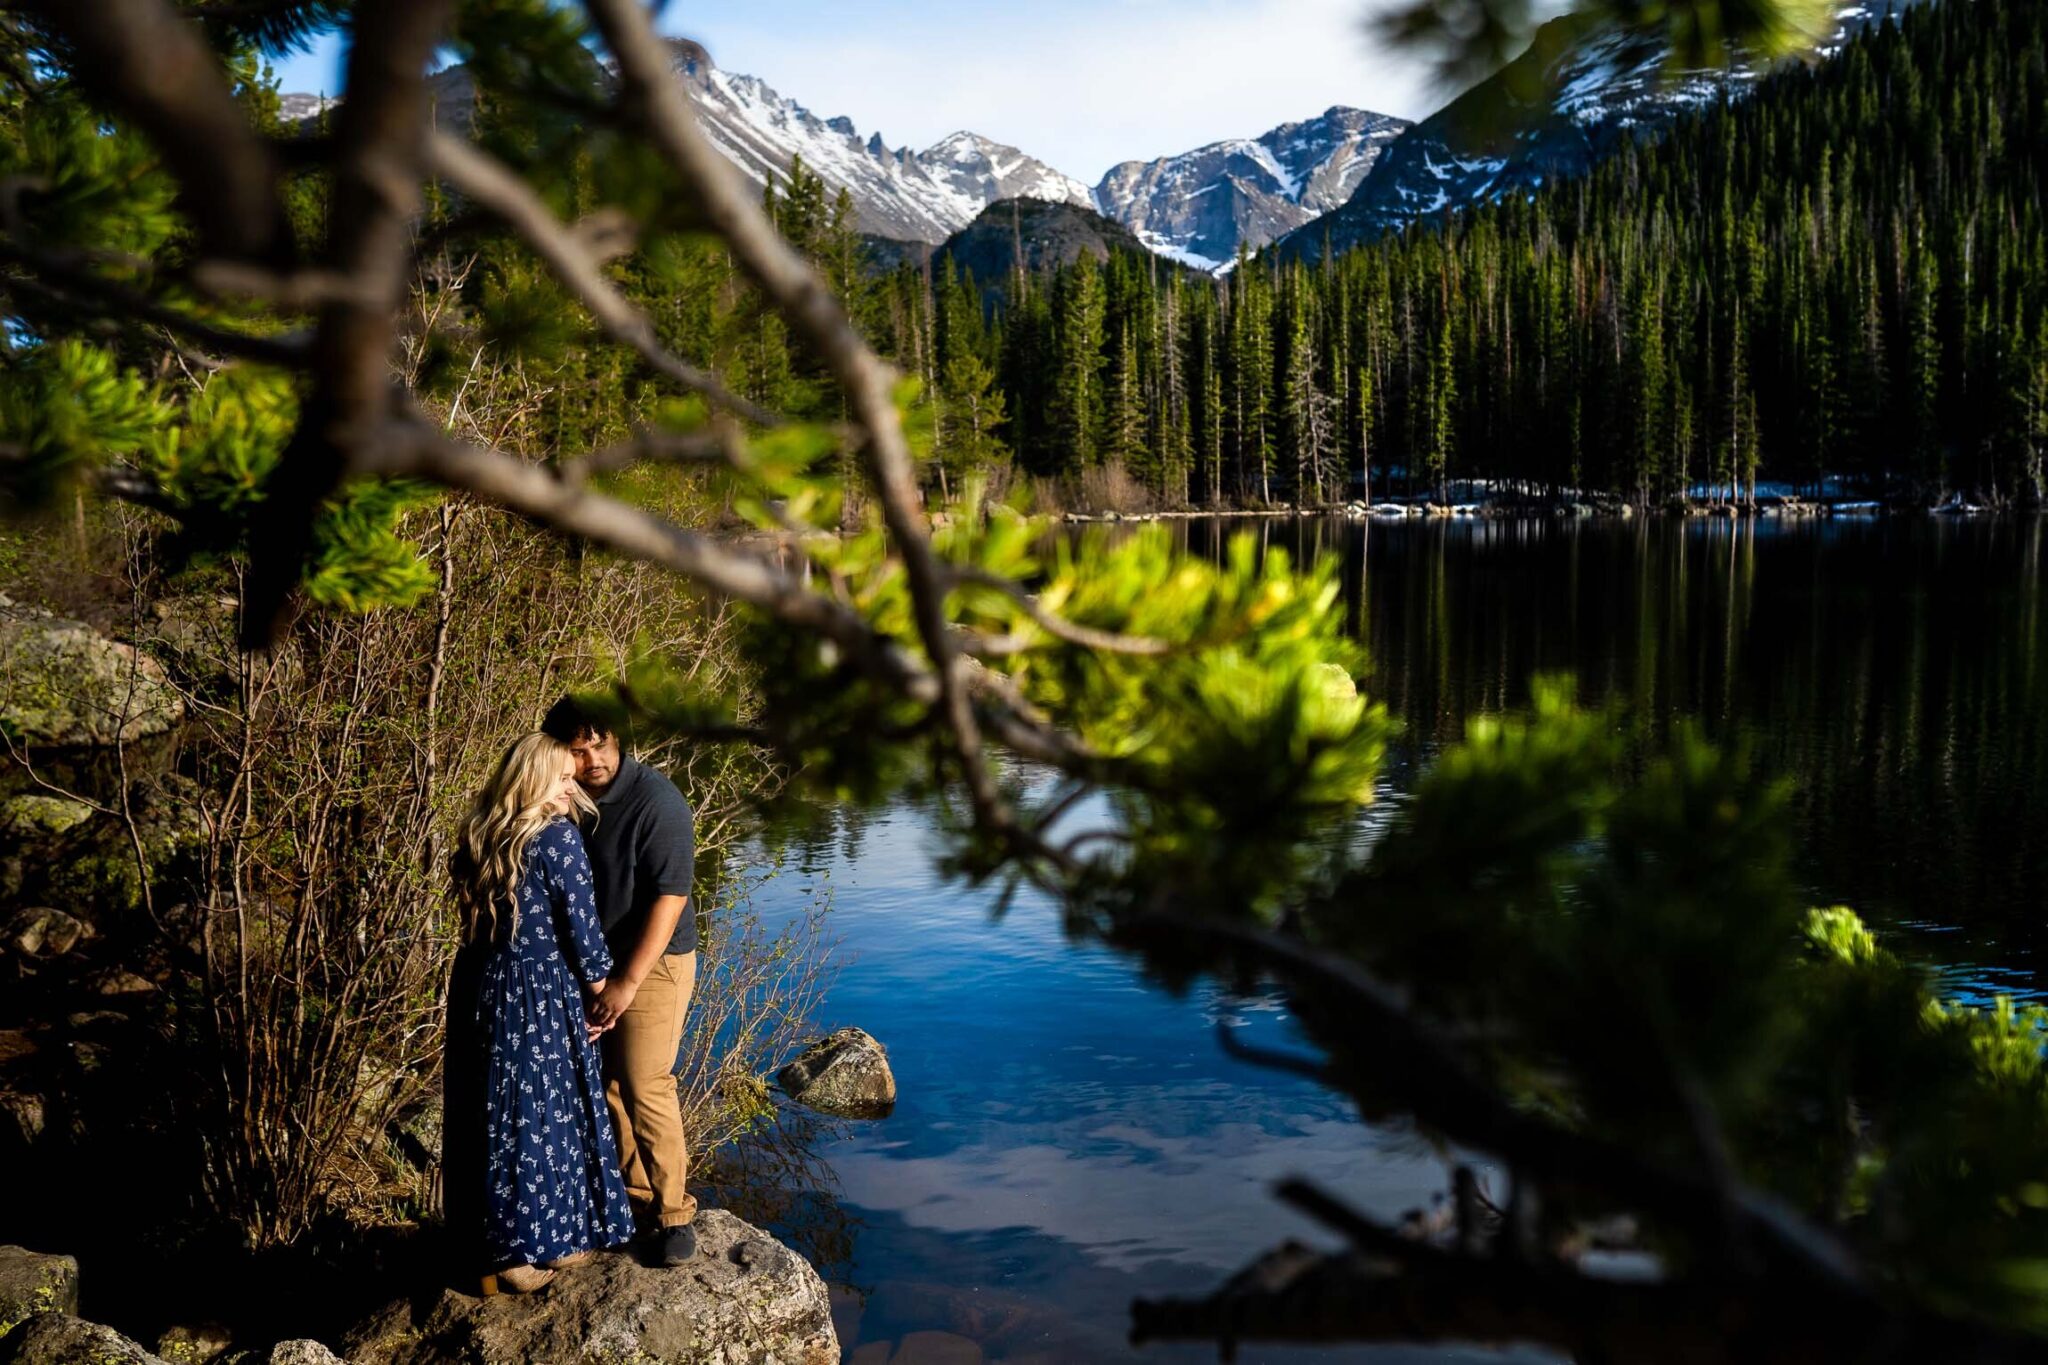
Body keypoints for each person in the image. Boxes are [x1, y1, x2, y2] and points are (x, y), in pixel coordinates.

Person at [442, 732, 637, 1294]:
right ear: (532, 781)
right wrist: (606, 991)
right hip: (539, 992)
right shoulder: (557, 840)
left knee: (487, 1109)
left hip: (480, 985)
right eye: (559, 776)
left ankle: (493, 1247)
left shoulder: (481, 833)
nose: (570, 784)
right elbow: (583, 930)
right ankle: (525, 1247)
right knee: (538, 1113)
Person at [541, 696, 701, 1265]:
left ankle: (677, 1212)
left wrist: (627, 982)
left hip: (653, 962)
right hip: (596, 963)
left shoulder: (658, 802)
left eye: (601, 745)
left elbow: (670, 899)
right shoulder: (569, 800)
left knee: (645, 1081)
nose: (594, 760)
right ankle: (635, 1200)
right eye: (579, 751)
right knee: (605, 1084)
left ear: (618, 739)